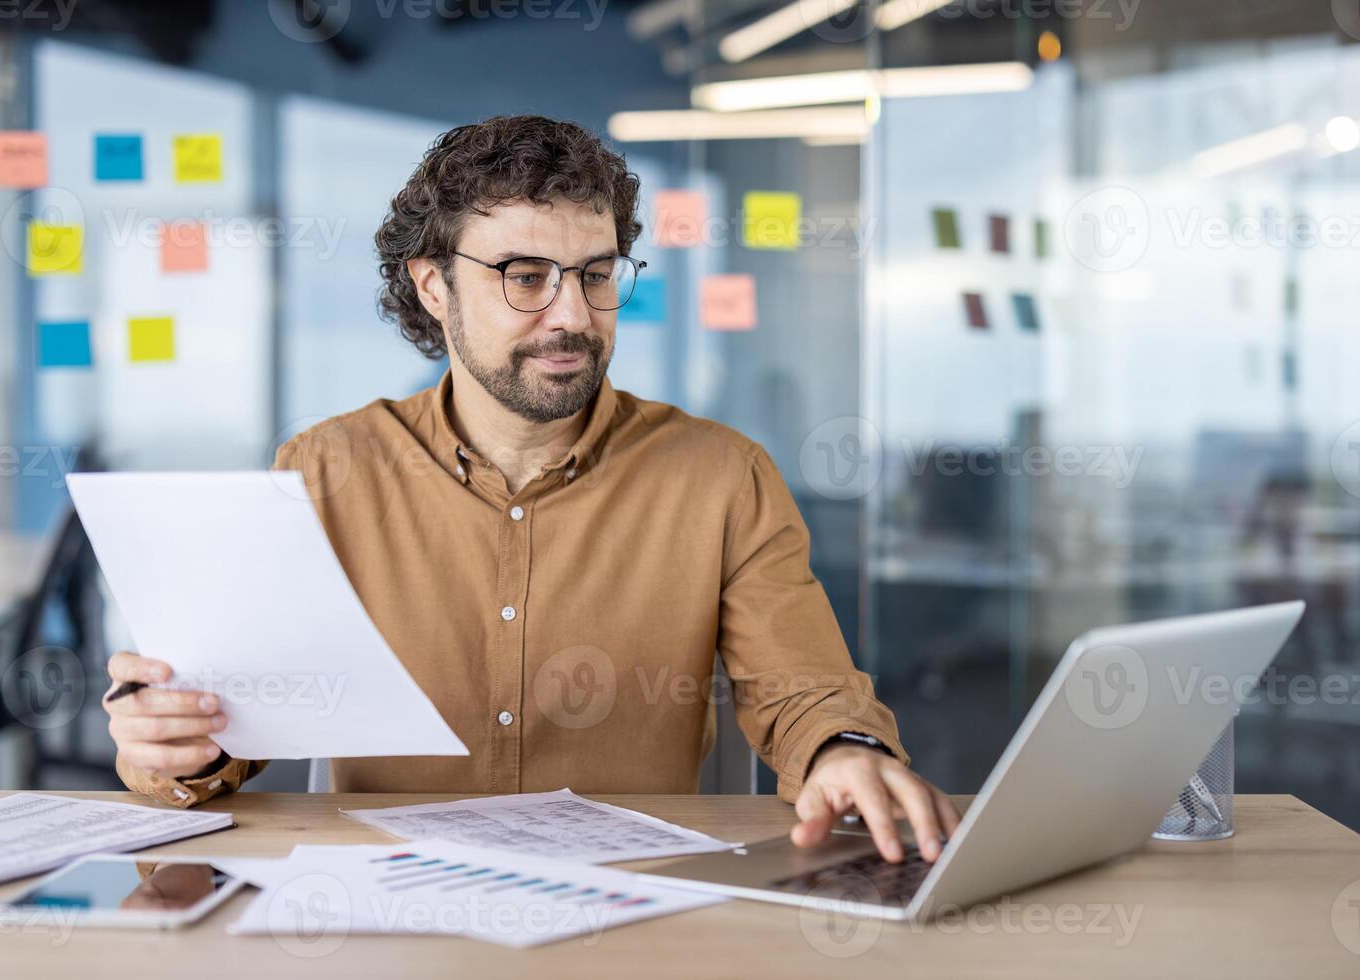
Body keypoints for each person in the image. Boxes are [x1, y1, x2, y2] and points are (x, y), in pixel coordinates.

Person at [104, 115, 960, 864]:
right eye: (524, 275)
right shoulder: (327, 471)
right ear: (434, 286)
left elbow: (801, 689)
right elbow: (231, 726)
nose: (572, 315)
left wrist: (845, 750)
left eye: (595, 273)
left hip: (634, 917)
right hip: (391, 921)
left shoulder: (720, 474)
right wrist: (175, 747)